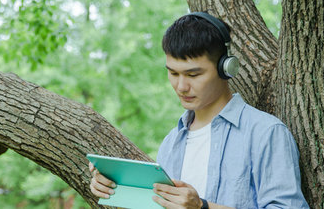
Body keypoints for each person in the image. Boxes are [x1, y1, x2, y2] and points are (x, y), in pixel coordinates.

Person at [90, 12, 309, 208]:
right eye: (174, 74)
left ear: (226, 68)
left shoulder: (266, 132)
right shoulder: (170, 143)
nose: (181, 86)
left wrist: (202, 207)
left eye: (193, 75)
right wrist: (115, 191)